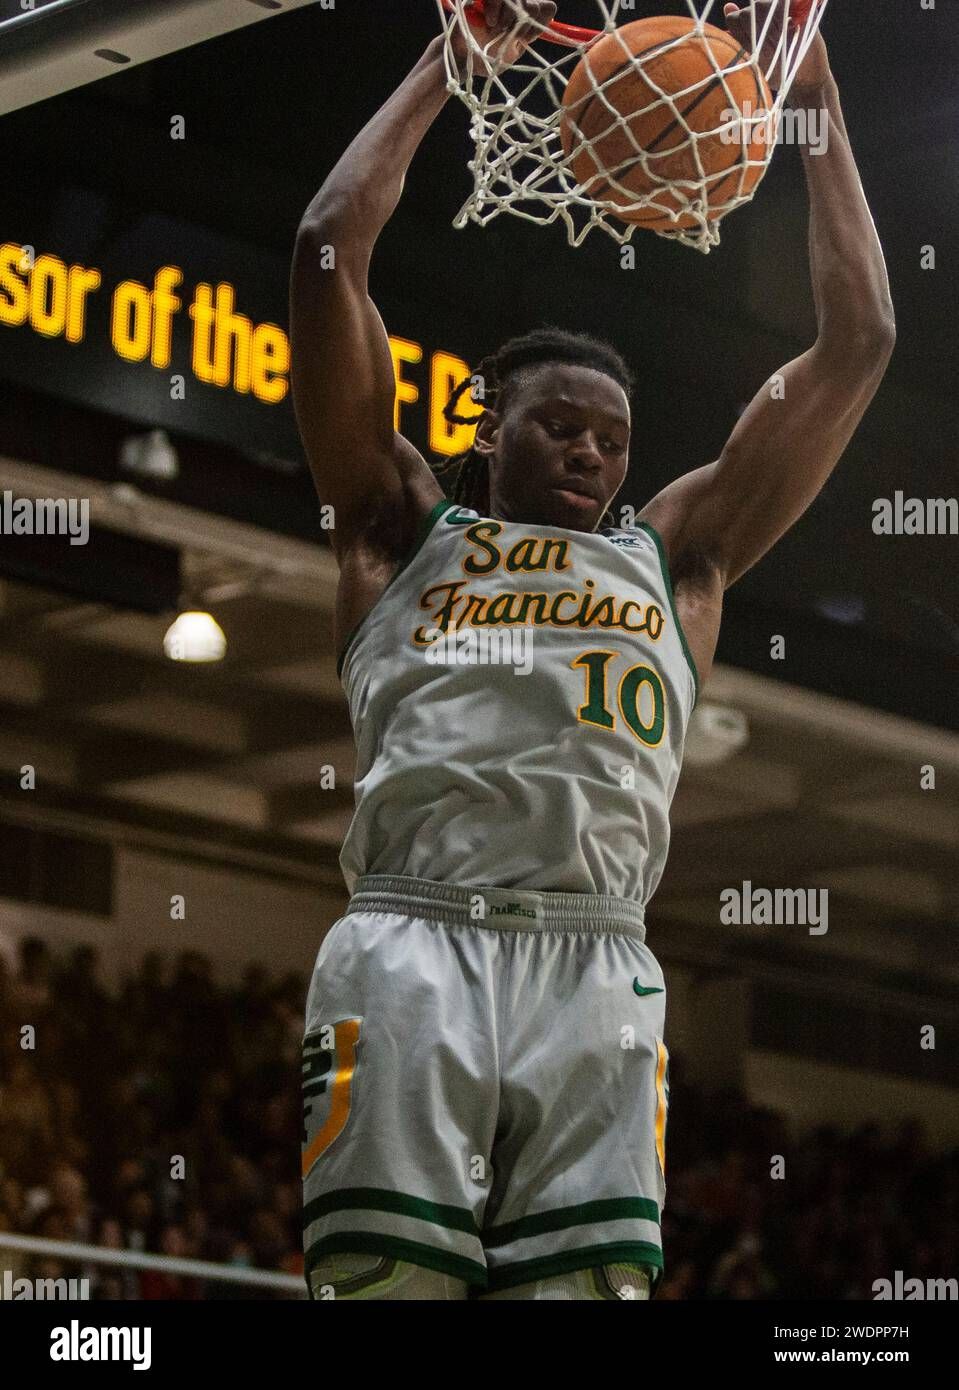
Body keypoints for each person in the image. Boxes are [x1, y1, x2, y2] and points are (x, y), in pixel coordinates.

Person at [289, 0, 894, 1301]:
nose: (589, 450)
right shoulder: (398, 531)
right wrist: (455, 58)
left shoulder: (676, 557)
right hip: (413, 944)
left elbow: (859, 344)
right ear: (483, 427)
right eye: (557, 423)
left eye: (611, 439)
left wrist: (810, 79)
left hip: (596, 958)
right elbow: (329, 248)